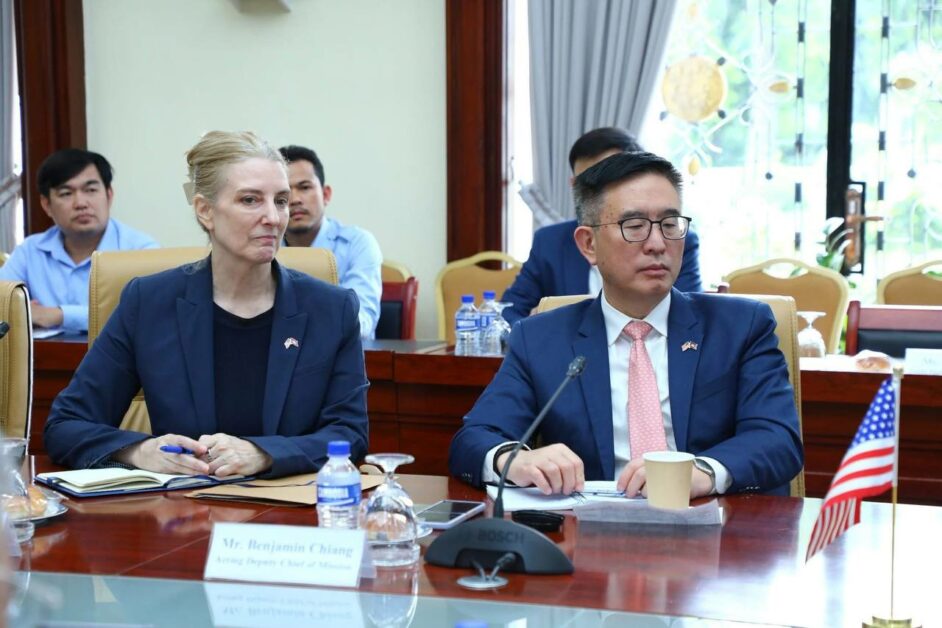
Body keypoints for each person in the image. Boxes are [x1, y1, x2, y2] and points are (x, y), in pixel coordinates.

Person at [449, 151, 802, 498]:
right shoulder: (541, 339)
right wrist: (513, 459)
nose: (657, 244)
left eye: (669, 225)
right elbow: (474, 438)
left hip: (715, 523)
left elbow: (778, 439)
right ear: (589, 244)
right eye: (634, 227)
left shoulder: (740, 327)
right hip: (592, 527)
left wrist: (704, 472)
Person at [44, 131, 369, 479]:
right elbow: (66, 425)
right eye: (250, 200)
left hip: (288, 505)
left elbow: (350, 435)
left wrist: (265, 453)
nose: (274, 218)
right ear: (205, 211)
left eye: (281, 201)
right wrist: (139, 451)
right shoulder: (149, 303)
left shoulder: (331, 309)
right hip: (183, 504)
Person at [502, 128, 702, 326]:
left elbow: (689, 317)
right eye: (589, 184)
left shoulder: (676, 239)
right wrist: (539, 331)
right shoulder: (550, 241)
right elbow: (508, 313)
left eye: (611, 178)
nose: (656, 243)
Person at [0, 149, 158, 332]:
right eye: (66, 193)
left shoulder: (142, 251)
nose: (81, 203)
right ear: (46, 204)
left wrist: (57, 315)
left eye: (90, 190)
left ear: (109, 195)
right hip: (44, 351)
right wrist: (19, 312)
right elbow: (2, 304)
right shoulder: (30, 251)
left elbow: (146, 314)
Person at [278, 145, 382, 339]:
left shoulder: (357, 244)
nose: (295, 199)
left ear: (326, 194)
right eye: (284, 192)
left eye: (304, 187)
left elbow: (362, 322)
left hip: (343, 355)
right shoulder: (265, 249)